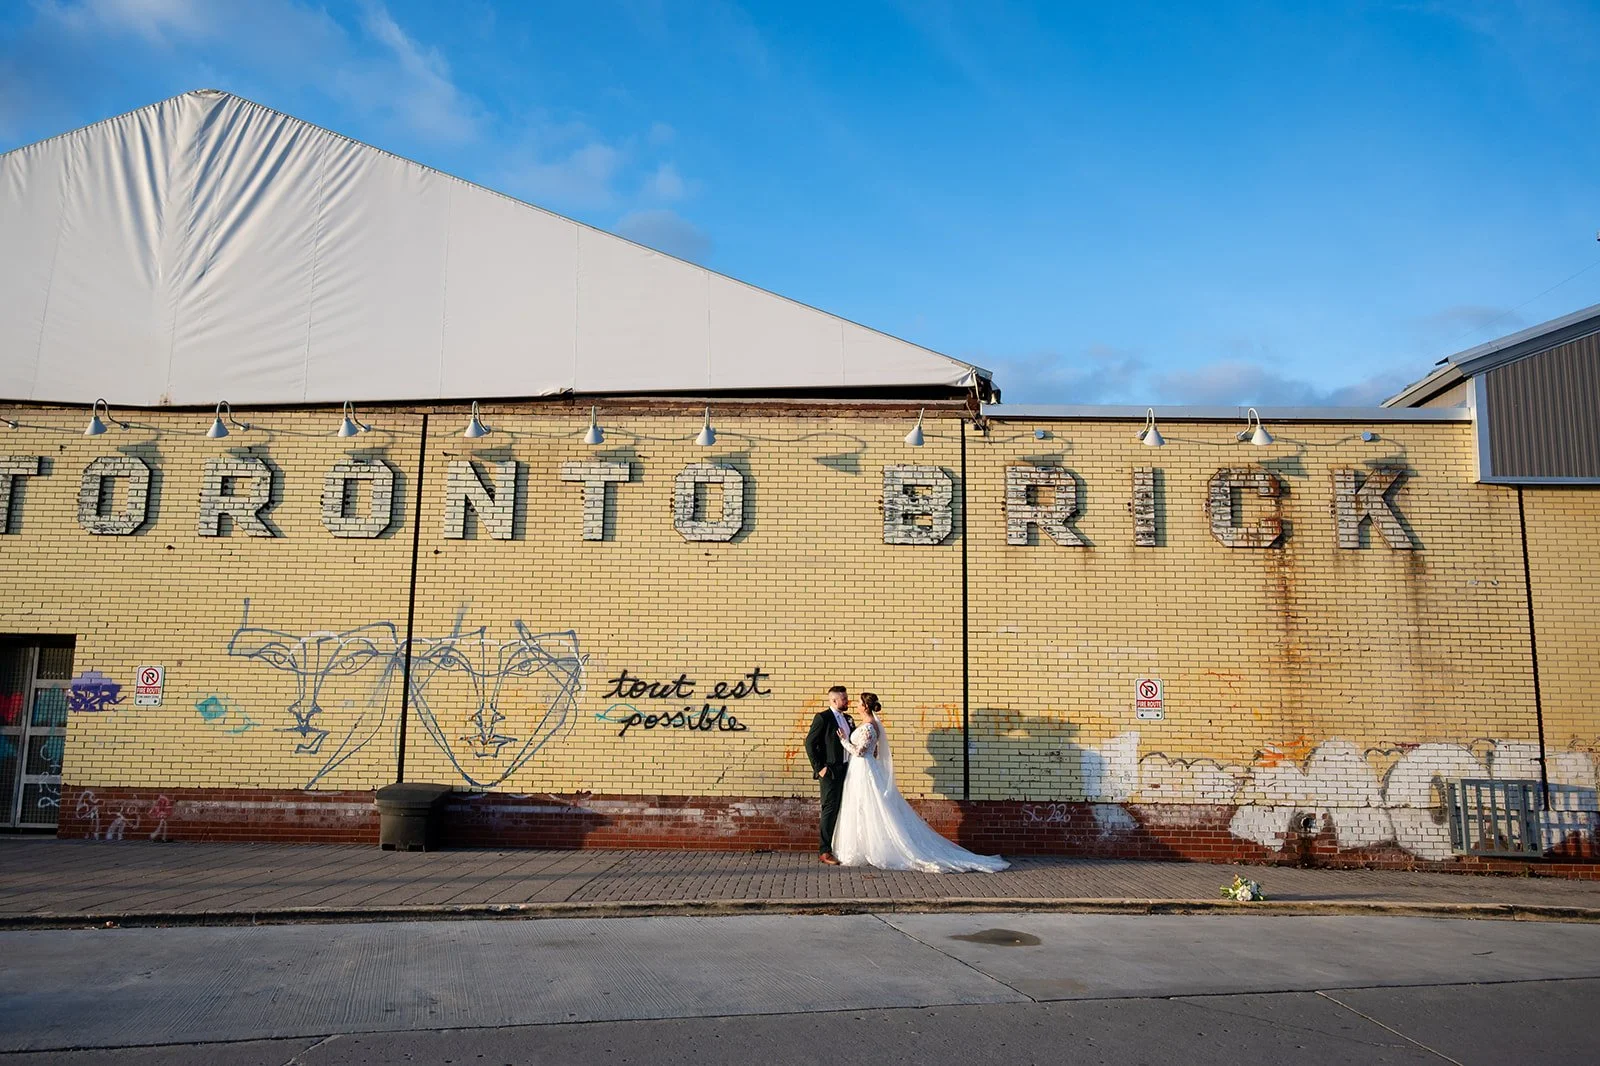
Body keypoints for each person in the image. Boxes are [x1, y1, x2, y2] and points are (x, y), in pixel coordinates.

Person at [831, 692, 1009, 873]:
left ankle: (875, 849)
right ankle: (866, 847)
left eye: (860, 702)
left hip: (864, 770)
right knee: (865, 808)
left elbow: (861, 752)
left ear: (865, 707)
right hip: (864, 769)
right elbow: (874, 752)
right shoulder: (871, 725)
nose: (856, 704)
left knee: (870, 807)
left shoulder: (869, 727)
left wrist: (844, 740)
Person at [805, 684, 854, 865]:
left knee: (846, 808)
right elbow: (810, 743)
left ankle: (841, 847)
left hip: (848, 770)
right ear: (834, 700)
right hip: (830, 772)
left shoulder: (848, 719)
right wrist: (820, 768)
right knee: (830, 809)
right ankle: (825, 851)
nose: (847, 701)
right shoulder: (822, 718)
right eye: (844, 698)